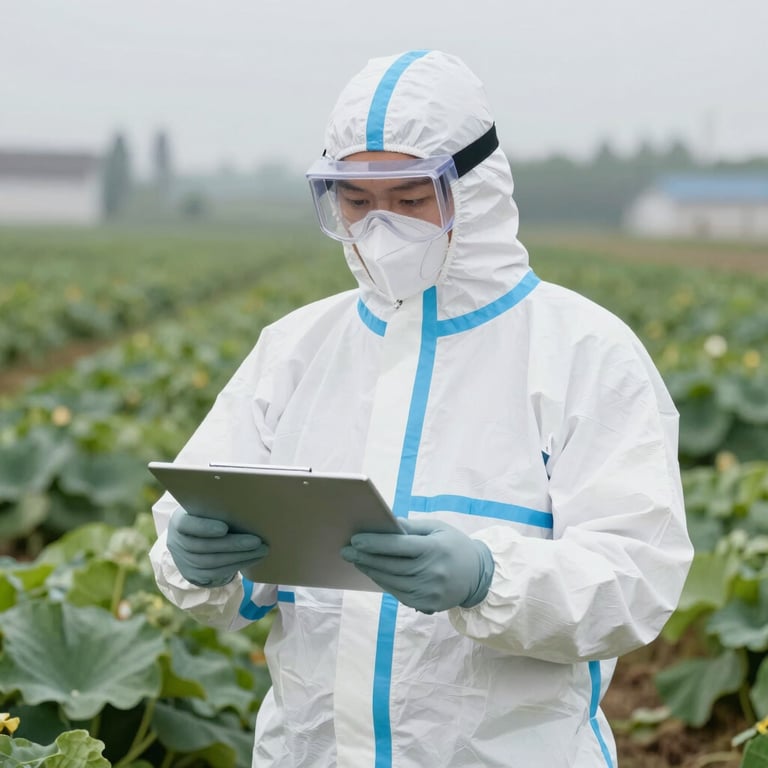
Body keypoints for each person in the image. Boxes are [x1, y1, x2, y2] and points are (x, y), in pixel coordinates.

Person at [149, 49, 693, 767]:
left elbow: (636, 579)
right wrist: (195, 561)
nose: (381, 227)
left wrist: (488, 577)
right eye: (355, 202)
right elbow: (202, 547)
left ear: (476, 188)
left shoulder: (584, 351)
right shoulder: (296, 349)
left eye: (409, 201)